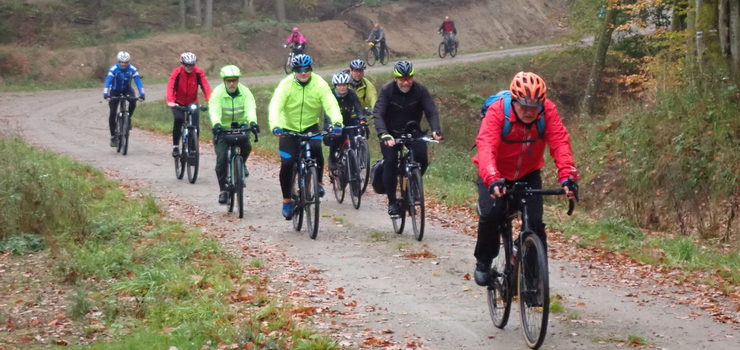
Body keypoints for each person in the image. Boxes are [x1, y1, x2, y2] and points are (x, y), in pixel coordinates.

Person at [471, 71, 579, 286]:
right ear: (514, 100)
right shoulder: (497, 111)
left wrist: (567, 177)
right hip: (496, 172)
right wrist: (492, 178)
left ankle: (533, 283)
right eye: (524, 106)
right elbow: (486, 146)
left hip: (529, 172)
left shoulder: (547, 111)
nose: (530, 112)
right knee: (492, 214)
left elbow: (560, 143)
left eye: (534, 107)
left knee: (535, 223)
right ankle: (484, 260)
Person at [268, 54, 343, 220]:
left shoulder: (319, 83)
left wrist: (337, 122)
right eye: (299, 70)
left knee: (316, 149)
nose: (303, 73)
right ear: (294, 71)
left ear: (311, 69)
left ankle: (318, 183)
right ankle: (287, 199)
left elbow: (331, 104)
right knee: (287, 163)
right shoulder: (286, 84)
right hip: (288, 129)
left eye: (306, 69)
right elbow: (276, 105)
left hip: (310, 126)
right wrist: (275, 125)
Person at [373, 60, 442, 216]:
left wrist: (436, 129)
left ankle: (413, 183)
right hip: (390, 133)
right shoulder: (387, 91)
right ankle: (392, 202)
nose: (406, 82)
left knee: (422, 159)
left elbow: (431, 110)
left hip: (413, 131)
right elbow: (378, 113)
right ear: (395, 78)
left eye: (409, 78)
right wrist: (383, 133)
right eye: (402, 79)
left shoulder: (420, 90)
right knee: (390, 163)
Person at [209, 65, 259, 204]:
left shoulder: (245, 92)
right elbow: (214, 110)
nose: (232, 83)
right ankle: (223, 190)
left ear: (238, 80)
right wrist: (217, 124)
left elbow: (250, 108)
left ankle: (241, 164)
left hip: (241, 126)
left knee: (247, 147)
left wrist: (253, 122)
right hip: (223, 129)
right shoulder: (218, 92)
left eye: (234, 80)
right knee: (221, 160)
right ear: (224, 81)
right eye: (229, 80)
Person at [165, 52, 211, 158]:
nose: (190, 67)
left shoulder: (199, 73)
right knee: (178, 119)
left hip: (192, 102)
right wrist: (170, 101)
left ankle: (193, 149)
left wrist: (210, 100)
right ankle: (175, 146)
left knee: (195, 126)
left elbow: (205, 87)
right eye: (187, 65)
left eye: (192, 64)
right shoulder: (177, 72)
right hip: (177, 102)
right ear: (182, 64)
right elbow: (170, 86)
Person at [103, 51, 145, 147]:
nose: (124, 64)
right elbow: (108, 81)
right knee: (113, 112)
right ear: (119, 61)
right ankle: (113, 136)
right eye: (122, 62)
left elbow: (138, 82)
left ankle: (128, 119)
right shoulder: (113, 69)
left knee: (133, 102)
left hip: (127, 90)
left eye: (126, 62)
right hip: (114, 91)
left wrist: (142, 94)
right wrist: (106, 94)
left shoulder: (132, 69)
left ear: (128, 62)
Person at [326, 72, 365, 172]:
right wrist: (330, 125)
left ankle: (352, 166)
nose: (342, 88)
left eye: (344, 85)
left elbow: (358, 107)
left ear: (347, 85)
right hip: (333, 121)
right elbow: (328, 111)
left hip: (348, 121)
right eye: (339, 85)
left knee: (352, 143)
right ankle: (332, 158)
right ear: (335, 86)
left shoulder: (351, 94)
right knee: (336, 138)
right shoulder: (330, 95)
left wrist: (361, 119)